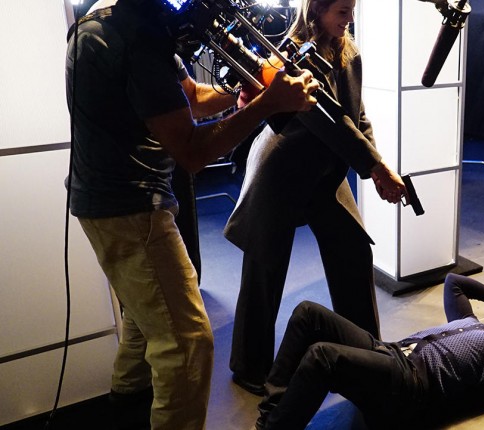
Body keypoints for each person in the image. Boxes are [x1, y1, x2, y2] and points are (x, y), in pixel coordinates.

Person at [65, 0, 319, 428]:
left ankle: (127, 404)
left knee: (146, 321)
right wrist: (267, 106)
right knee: (186, 344)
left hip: (106, 205)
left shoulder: (108, 20)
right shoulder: (138, 37)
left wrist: (243, 96)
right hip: (130, 210)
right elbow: (193, 151)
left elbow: (190, 97)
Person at [223, 0, 408, 395]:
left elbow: (357, 115)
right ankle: (249, 367)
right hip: (283, 168)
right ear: (317, 10)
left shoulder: (348, 49)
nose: (350, 19)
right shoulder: (290, 57)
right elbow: (330, 122)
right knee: (265, 269)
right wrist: (375, 167)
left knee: (353, 251)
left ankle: (367, 354)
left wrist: (376, 162)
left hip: (324, 168)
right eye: (342, 12)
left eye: (352, 10)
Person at [252, 273, 484, 429]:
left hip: (410, 385)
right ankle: (271, 416)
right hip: (389, 351)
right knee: (308, 313)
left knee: (323, 356)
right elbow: (454, 282)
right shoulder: (470, 321)